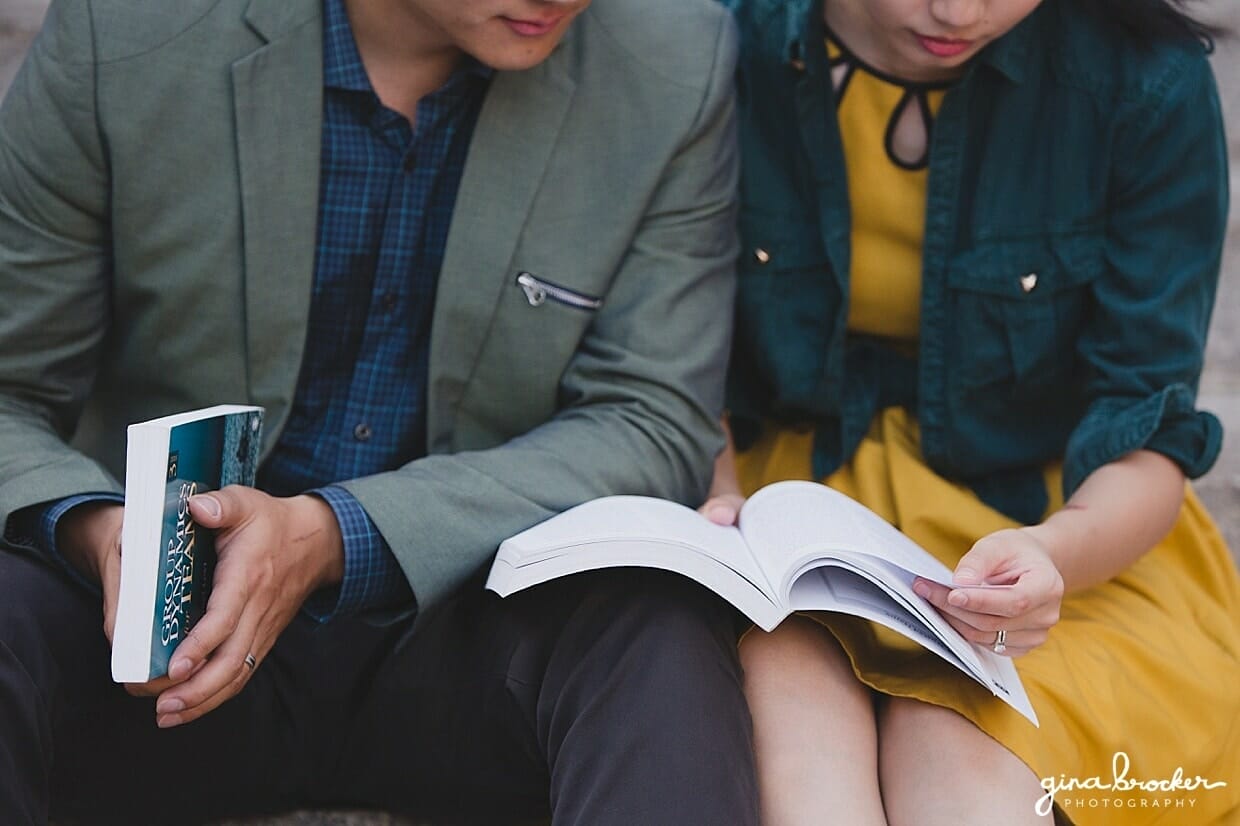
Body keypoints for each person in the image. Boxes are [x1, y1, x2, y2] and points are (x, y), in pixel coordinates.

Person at [0, 0, 760, 823]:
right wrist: (106, 534)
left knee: (659, 632)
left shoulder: (674, 55)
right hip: (156, 638)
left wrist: (333, 534)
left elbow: (652, 413)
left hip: (477, 615)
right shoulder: (128, 29)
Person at [702, 0, 1240, 823]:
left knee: (966, 751)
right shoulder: (712, 43)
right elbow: (666, 338)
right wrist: (718, 493)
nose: (957, 10)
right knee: (799, 754)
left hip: (1065, 529)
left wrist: (1051, 557)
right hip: (787, 522)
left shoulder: (1145, 84)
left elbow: (1150, 421)